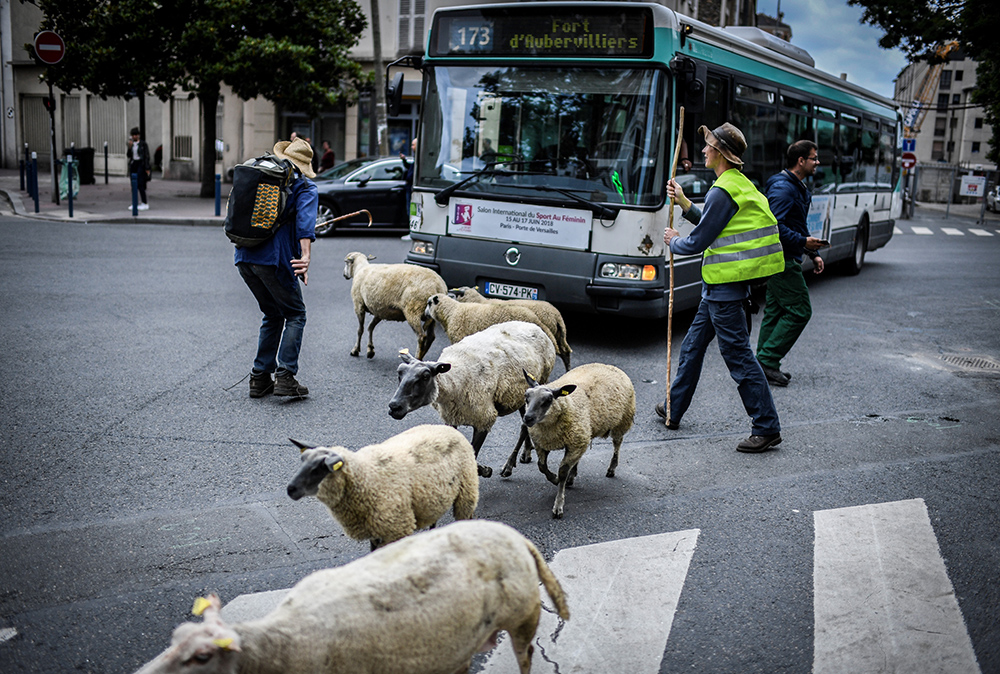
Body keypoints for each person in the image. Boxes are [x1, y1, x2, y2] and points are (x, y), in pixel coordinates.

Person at [658, 123, 785, 453]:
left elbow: (700, 240)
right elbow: (712, 225)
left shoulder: (722, 189)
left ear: (721, 153)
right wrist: (685, 203)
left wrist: (675, 241)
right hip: (719, 289)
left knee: (739, 359)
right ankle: (674, 408)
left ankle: (766, 426)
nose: (703, 150)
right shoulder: (735, 184)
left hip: (725, 292)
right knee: (692, 348)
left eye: (709, 145)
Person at [235, 138, 318, 398]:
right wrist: (305, 257)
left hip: (244, 255)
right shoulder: (304, 185)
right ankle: (285, 376)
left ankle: (259, 379)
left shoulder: (261, 176)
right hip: (274, 259)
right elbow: (305, 225)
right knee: (296, 314)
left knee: (272, 313)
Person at [756, 140, 827, 387]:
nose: (817, 162)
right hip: (782, 260)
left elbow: (796, 224)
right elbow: (775, 227)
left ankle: (763, 364)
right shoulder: (784, 189)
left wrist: (812, 252)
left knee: (775, 311)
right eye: (814, 158)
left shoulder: (794, 185)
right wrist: (803, 241)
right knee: (800, 311)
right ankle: (767, 359)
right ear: (801, 161)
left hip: (785, 256)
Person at [126, 127, 150, 211]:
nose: (134, 137)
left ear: (138, 135)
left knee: (140, 184)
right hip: (134, 164)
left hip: (141, 164)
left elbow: (146, 156)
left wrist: (147, 168)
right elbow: (128, 155)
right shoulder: (131, 144)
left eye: (136, 135)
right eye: (133, 135)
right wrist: (129, 147)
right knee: (133, 184)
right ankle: (134, 202)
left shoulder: (143, 144)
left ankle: (144, 202)